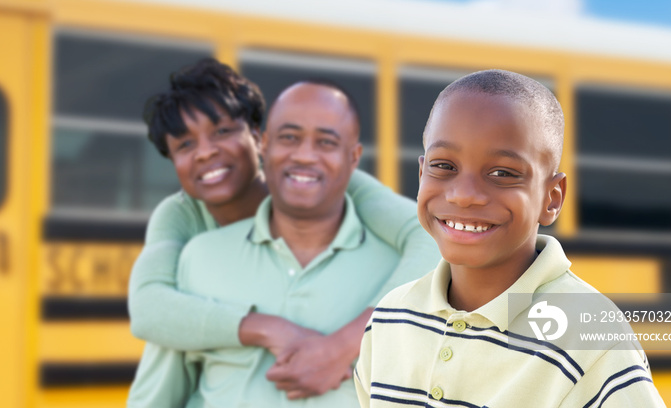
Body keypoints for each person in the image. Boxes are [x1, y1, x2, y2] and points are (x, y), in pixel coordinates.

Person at [126, 58, 439, 407]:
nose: (206, 152)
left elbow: (430, 236)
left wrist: (345, 345)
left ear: (256, 138)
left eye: (222, 131)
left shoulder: (342, 188)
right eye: (184, 145)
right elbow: (151, 309)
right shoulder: (186, 229)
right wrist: (266, 328)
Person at [354, 70, 666, 407]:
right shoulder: (391, 316)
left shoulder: (592, 340)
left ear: (552, 198)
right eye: (444, 166)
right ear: (421, 174)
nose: (463, 195)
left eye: (502, 173)